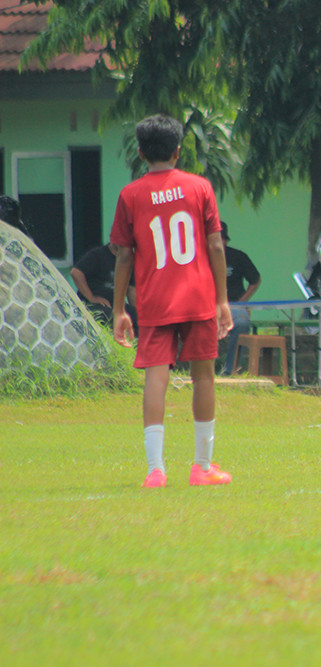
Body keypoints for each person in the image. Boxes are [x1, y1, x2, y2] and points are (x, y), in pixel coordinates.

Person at [110, 114, 234, 488]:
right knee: (204, 377)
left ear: (141, 152)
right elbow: (215, 244)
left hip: (154, 301)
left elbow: (124, 255)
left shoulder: (130, 195)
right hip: (197, 297)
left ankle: (155, 470)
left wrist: (118, 310)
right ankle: (201, 467)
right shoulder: (199, 187)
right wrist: (223, 300)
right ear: (179, 151)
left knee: (156, 377)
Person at [219, 221, 261, 375]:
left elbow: (255, 280)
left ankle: (231, 369)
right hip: (208, 306)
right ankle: (202, 370)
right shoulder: (199, 257)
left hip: (234, 305)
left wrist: (243, 301)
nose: (220, 242)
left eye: (223, 239)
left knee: (242, 323)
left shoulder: (238, 256)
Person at [70, 243, 138, 333]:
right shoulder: (98, 254)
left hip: (116, 304)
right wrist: (92, 298)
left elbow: (131, 290)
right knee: (109, 317)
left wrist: (137, 311)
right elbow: (76, 273)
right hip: (93, 304)